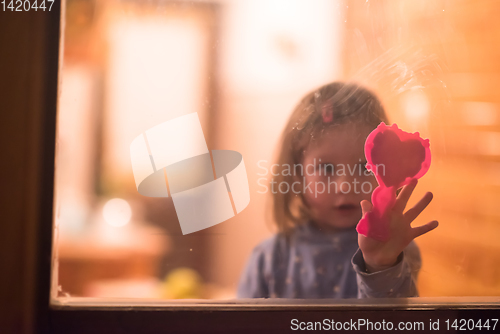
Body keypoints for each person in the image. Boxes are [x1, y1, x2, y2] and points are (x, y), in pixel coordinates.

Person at [237, 82, 439, 299]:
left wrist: (380, 266)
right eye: (326, 168)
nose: (345, 185)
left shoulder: (394, 249)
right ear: (297, 175)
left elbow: (394, 325)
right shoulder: (267, 258)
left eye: (365, 167)